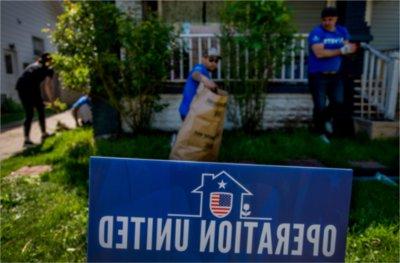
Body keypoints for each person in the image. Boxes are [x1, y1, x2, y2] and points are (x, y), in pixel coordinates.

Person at [308, 7, 357, 144]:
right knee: (320, 106)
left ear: (336, 19)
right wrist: (341, 50)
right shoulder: (317, 32)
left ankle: (326, 122)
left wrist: (349, 49)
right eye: (324, 20)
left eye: (330, 19)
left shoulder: (342, 31)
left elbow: (349, 48)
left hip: (336, 76)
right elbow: (319, 53)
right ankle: (320, 133)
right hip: (318, 76)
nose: (327, 22)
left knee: (338, 103)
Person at [15, 53, 54, 146]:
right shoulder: (48, 70)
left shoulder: (33, 65)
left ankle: (41, 135)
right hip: (27, 89)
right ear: (49, 62)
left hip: (23, 87)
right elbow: (47, 86)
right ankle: (28, 140)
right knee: (32, 113)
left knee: (36, 111)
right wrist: (52, 101)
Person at [178, 47, 221, 121]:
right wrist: (205, 80)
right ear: (203, 59)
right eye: (211, 59)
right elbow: (195, 74)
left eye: (216, 61)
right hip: (190, 111)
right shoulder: (199, 67)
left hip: (193, 111)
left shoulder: (206, 72)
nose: (214, 63)